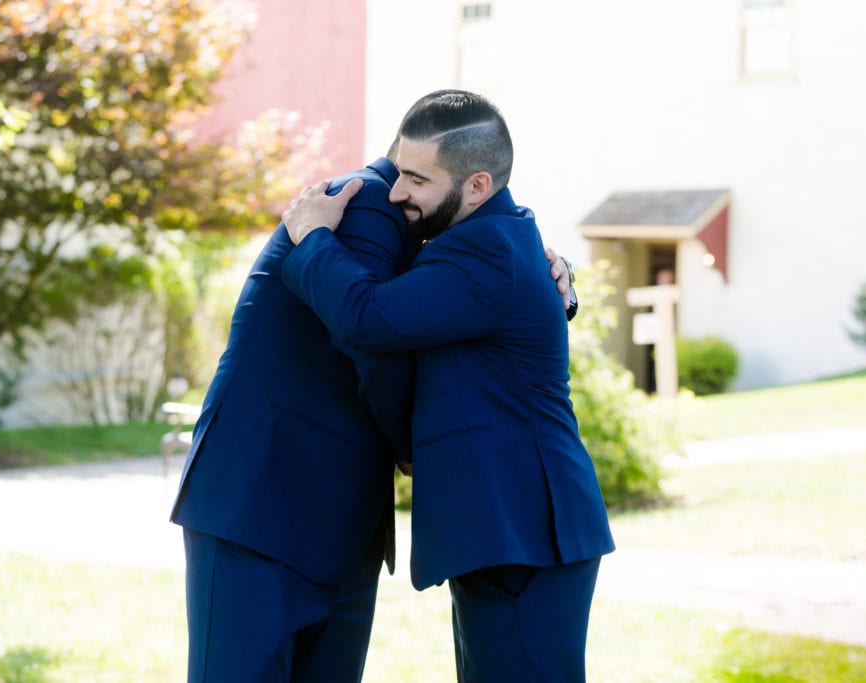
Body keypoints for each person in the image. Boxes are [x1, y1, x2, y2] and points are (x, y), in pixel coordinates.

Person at [170, 142, 576, 679]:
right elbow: (374, 340)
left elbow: (460, 301)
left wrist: (554, 275)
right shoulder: (364, 204)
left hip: (330, 508)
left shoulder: (444, 231)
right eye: (404, 174)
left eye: (418, 181)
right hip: (262, 499)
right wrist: (412, 445)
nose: (402, 190)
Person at [281, 89, 615, 682]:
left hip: (524, 530)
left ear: (478, 186)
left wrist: (313, 239)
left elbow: (369, 318)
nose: (396, 191)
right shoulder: (493, 238)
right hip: (507, 532)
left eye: (416, 178)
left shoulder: (484, 251)